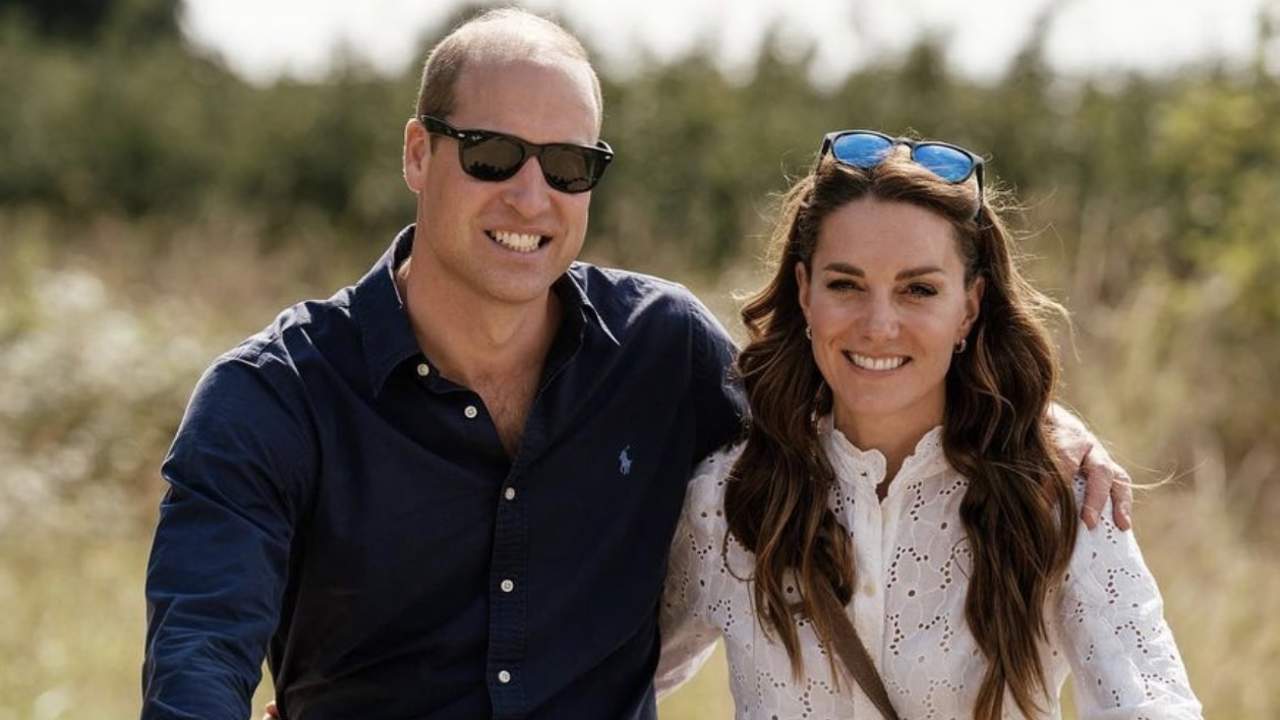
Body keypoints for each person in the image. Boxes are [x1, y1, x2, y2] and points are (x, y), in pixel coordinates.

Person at [142, 10, 1132, 720]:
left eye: (568, 166)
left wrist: (1040, 423)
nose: (531, 196)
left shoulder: (659, 352)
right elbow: (196, 661)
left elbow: (854, 391)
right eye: (491, 154)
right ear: (417, 153)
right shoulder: (270, 399)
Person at [657, 131, 1201, 718]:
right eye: (846, 284)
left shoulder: (1057, 495)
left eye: (918, 289)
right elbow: (611, 674)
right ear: (805, 291)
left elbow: (1150, 702)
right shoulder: (728, 496)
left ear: (968, 306)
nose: (879, 324)